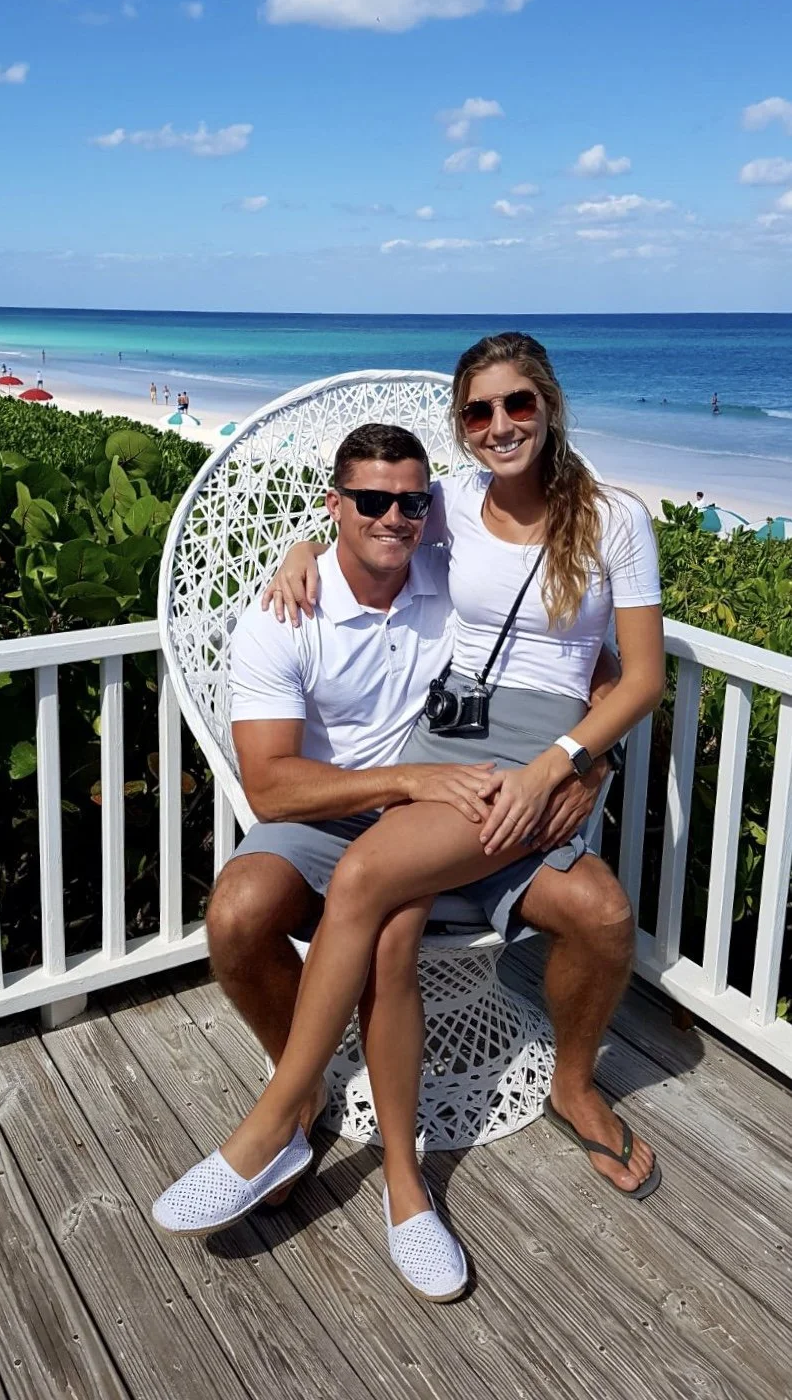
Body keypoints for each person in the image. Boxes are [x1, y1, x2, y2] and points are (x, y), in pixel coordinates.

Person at [156, 333, 665, 1283]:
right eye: (478, 411)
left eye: (517, 404)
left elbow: (635, 679)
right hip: (450, 742)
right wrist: (306, 542)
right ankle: (401, 1186)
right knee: (385, 927)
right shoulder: (453, 507)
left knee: (369, 879)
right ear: (462, 427)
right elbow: (369, 522)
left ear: (548, 403)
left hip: (539, 748)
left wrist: (566, 764)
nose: (500, 425)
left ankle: (275, 1123)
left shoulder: (617, 521)